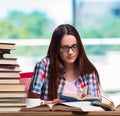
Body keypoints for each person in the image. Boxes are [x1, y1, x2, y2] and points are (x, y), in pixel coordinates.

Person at [28, 24, 101, 105]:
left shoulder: (89, 71)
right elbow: (31, 103)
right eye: (64, 48)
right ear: (56, 49)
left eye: (74, 46)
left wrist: (90, 100)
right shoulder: (44, 65)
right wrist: (52, 103)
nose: (70, 52)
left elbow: (95, 106)